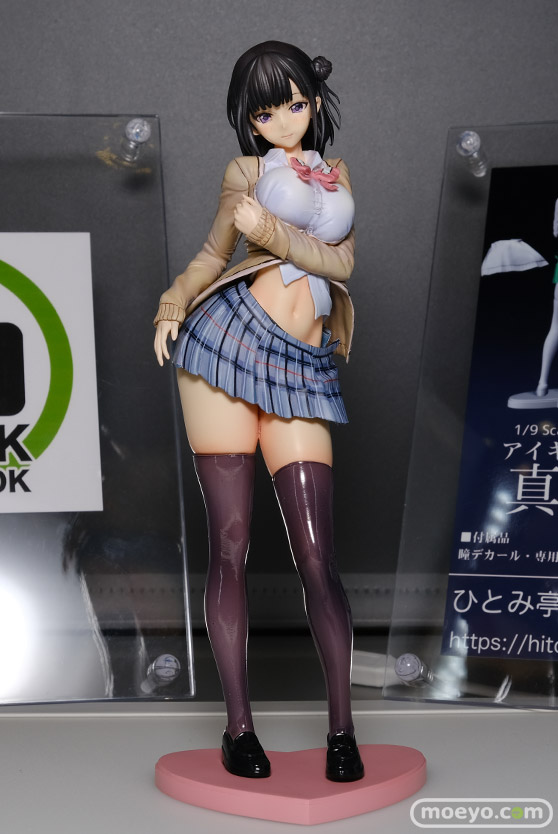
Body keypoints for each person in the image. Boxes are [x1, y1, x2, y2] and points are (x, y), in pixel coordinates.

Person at [153, 40, 363, 783]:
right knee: (231, 542)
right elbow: (216, 254)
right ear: (250, 121)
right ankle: (238, 728)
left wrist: (274, 235)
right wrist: (176, 295)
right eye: (265, 112)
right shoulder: (244, 172)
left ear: (314, 100)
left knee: (317, 554)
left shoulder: (335, 173)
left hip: (300, 367)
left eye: (294, 104)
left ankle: (343, 729)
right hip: (228, 348)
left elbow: (342, 264)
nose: (282, 121)